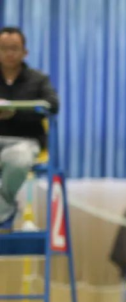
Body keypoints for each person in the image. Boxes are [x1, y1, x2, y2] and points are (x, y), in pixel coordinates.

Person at [0, 26, 59, 228]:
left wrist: (15, 111)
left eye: (14, 48)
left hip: (25, 142)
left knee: (16, 160)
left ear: (25, 52)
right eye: (4, 48)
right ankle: (6, 210)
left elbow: (53, 105)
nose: (9, 53)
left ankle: (3, 212)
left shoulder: (38, 79)